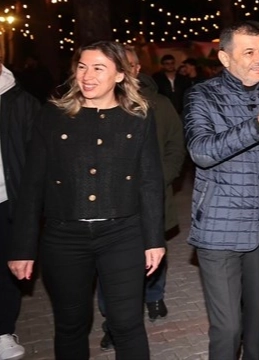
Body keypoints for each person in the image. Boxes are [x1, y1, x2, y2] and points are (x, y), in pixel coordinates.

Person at [8, 41, 165, 360]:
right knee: (71, 325)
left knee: (127, 324)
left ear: (120, 75)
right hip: (64, 237)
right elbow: (32, 184)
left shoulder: (137, 116)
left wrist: (154, 240)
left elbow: (149, 181)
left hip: (122, 234)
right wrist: (23, 247)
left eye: (98, 68)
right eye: (82, 67)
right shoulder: (52, 114)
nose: (87, 76)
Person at [184, 21, 259, 360]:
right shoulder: (202, 96)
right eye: (248, 52)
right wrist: (258, 124)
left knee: (257, 320)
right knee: (229, 327)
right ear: (225, 58)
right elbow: (201, 151)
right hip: (220, 229)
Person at [97, 46, 187, 350]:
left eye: (130, 64)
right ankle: (113, 322)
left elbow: (176, 144)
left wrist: (161, 178)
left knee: (153, 247)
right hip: (110, 203)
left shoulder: (159, 104)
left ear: (136, 69)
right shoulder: (98, 105)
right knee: (109, 264)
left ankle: (154, 296)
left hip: (150, 196)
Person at [0, 57, 40, 360]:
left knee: (5, 267)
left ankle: (2, 330)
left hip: (6, 199)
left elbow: (37, 159)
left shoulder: (22, 102)